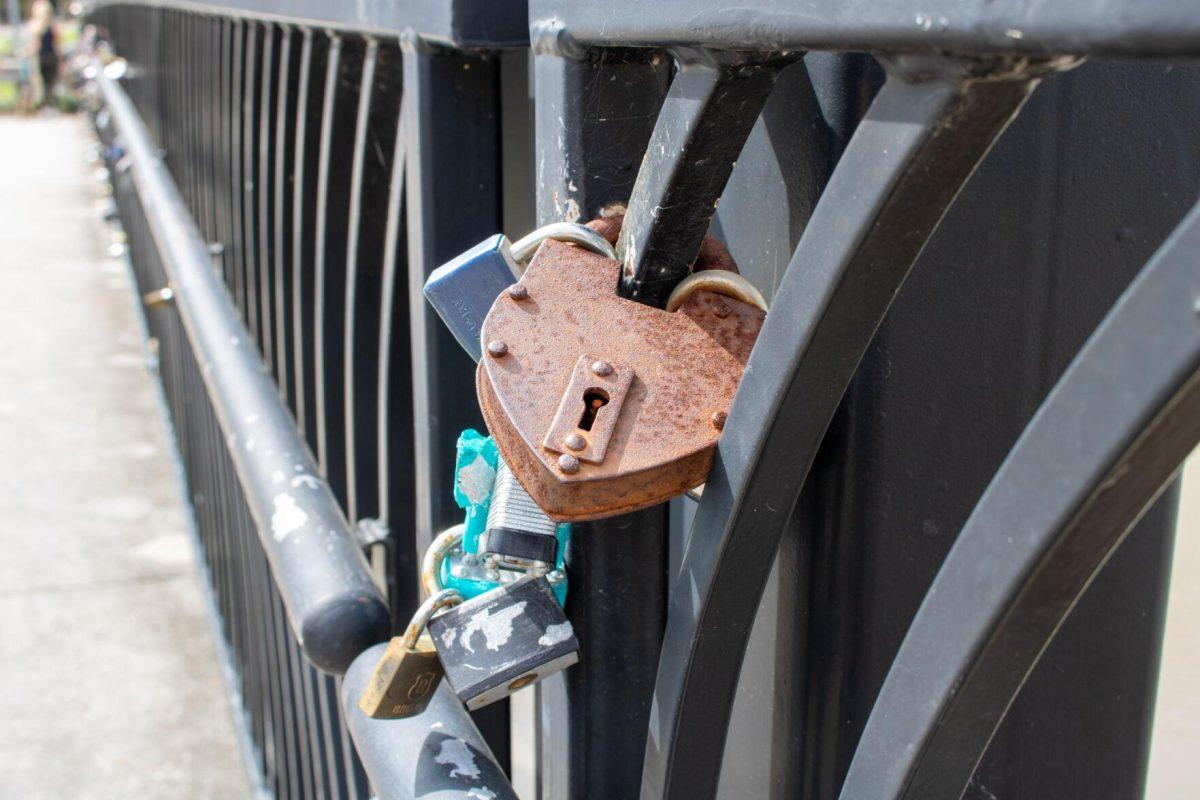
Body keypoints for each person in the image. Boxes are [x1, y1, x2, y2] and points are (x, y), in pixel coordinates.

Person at [27, 0, 57, 108]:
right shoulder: (51, 25)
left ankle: (44, 105)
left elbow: (34, 45)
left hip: (41, 57)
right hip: (50, 56)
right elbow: (56, 43)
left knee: (41, 84)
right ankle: (49, 105)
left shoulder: (34, 26)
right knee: (49, 84)